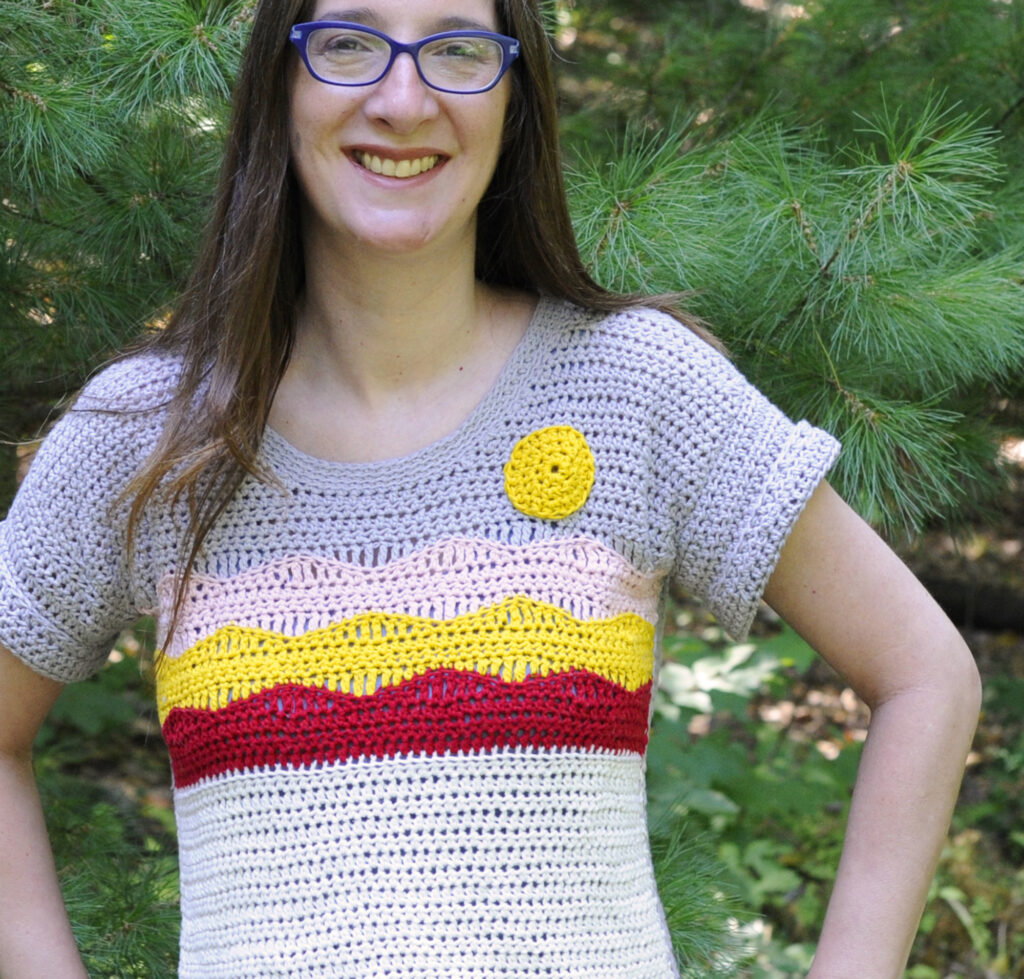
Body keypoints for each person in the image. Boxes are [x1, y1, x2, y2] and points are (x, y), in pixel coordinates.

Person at [0, 0, 981, 975]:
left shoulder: (630, 387)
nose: (403, 97)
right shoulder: (150, 434)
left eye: (457, 49)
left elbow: (925, 675)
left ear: (514, 96)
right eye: (347, 42)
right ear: (278, 83)